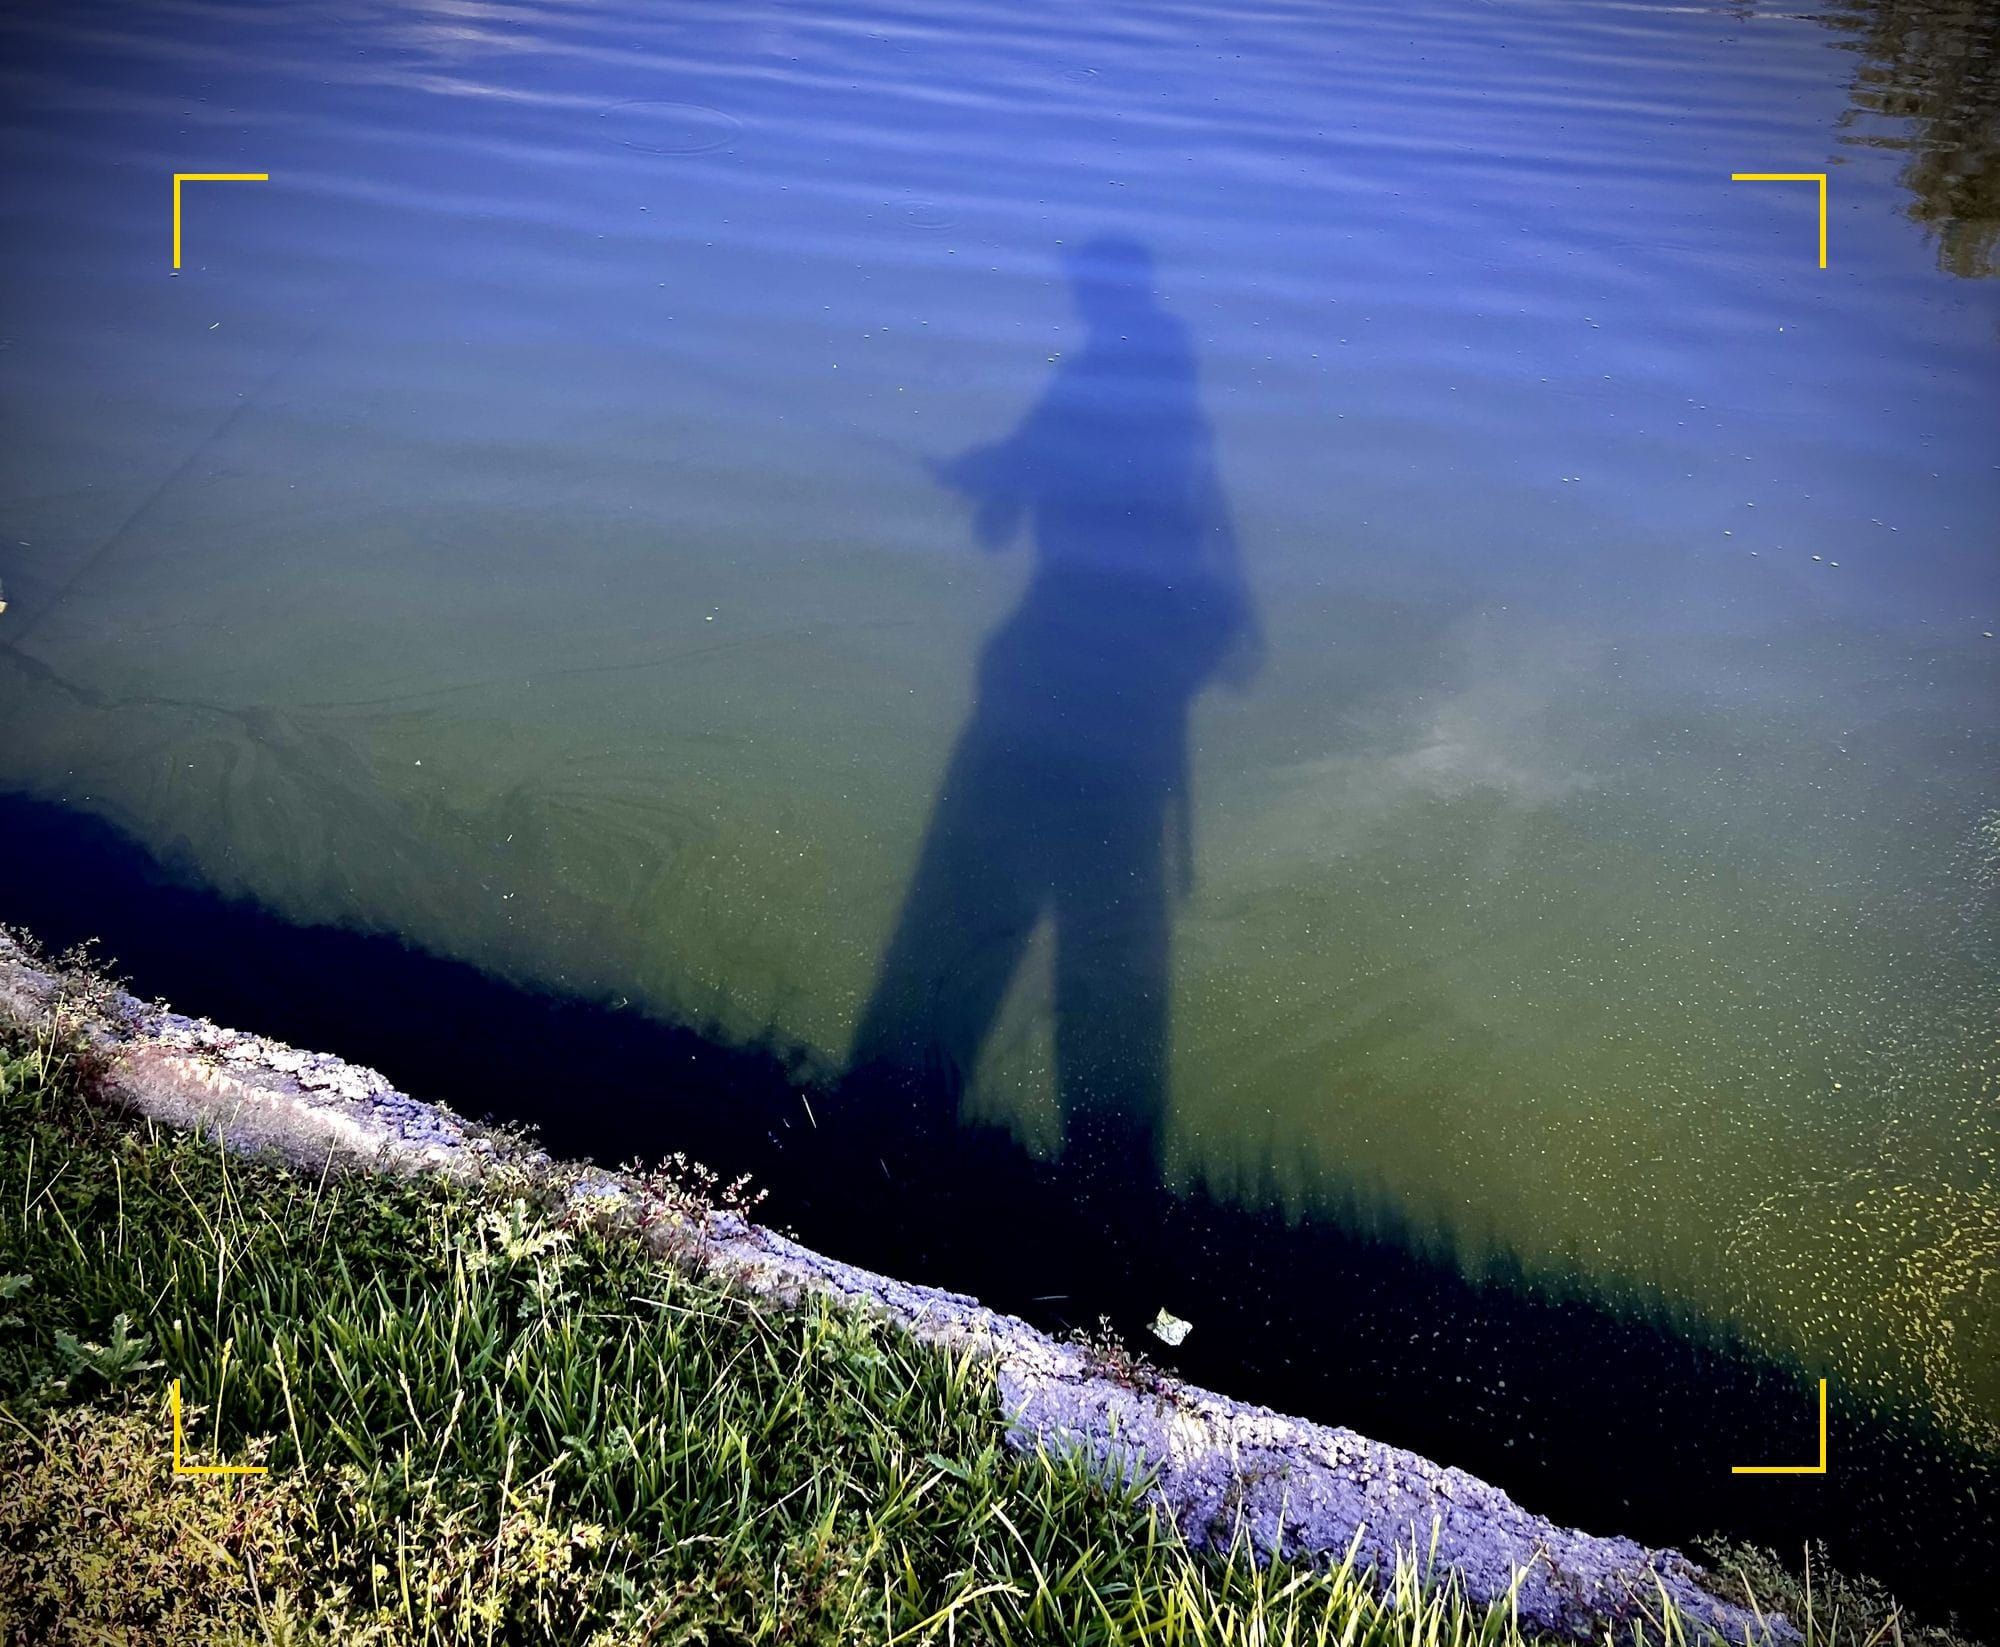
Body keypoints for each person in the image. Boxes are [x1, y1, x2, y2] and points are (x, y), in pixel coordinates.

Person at [851, 236, 1260, 1194]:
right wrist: (998, 474)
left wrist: (983, 476)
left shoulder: (1099, 375)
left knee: (978, 897)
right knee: (1116, 923)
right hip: (1138, 686)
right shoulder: (1167, 383)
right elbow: (1039, 474)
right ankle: (1113, 1168)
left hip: (1061, 661)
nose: (1080, 302)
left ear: (1100, 296)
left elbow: (1020, 485)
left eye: (1086, 290)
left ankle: (898, 1131)